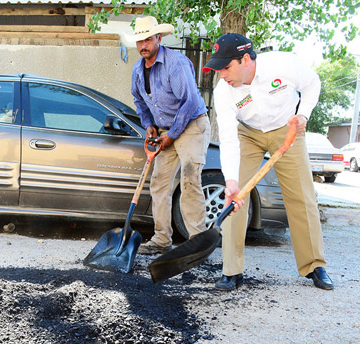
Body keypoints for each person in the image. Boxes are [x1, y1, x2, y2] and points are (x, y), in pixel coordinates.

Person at [202, 33, 334, 291]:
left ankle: (314, 265)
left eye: (227, 67)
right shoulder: (223, 91)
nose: (223, 75)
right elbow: (228, 137)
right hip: (248, 134)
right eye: (219, 69)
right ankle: (232, 271)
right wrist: (231, 181)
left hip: (289, 128)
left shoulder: (283, 65)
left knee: (302, 198)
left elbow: (312, 83)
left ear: (246, 60)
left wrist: (303, 115)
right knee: (235, 197)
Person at [129, 16, 211, 254]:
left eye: (147, 39)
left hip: (191, 126)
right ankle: (161, 239)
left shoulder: (176, 63)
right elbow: (138, 99)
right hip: (165, 131)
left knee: (189, 180)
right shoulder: (137, 70)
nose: (143, 45)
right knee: (159, 184)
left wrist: (172, 134)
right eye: (139, 41)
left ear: (158, 38)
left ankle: (198, 243)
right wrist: (149, 124)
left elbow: (189, 102)